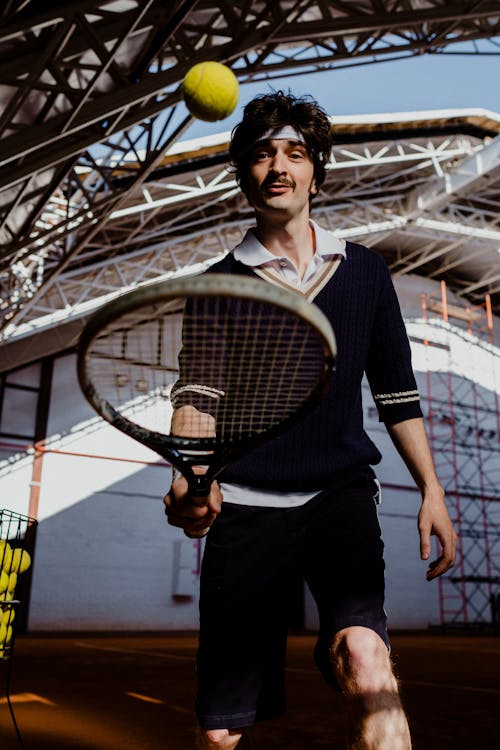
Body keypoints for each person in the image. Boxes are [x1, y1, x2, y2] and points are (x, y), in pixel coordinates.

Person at [163, 91, 457, 750]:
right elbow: (198, 397)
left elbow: (397, 392)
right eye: (263, 154)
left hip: (339, 499)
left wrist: (432, 490)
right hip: (244, 505)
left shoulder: (367, 274)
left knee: (367, 661)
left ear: (316, 175)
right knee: (220, 734)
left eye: (295, 153)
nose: (278, 167)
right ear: (244, 175)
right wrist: (192, 474)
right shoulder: (218, 285)